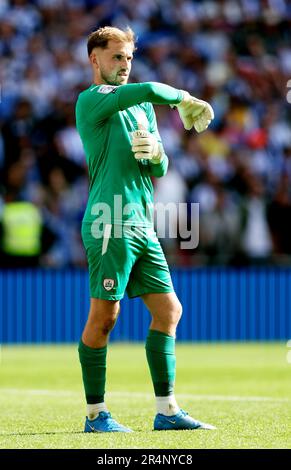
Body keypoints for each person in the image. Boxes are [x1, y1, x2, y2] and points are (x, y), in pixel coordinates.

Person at [75, 26, 215, 433]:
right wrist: (185, 98)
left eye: (129, 58)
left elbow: (160, 168)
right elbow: (151, 88)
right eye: (116, 57)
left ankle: (166, 410)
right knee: (105, 317)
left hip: (141, 221)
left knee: (169, 310)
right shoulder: (91, 101)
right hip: (108, 221)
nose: (123, 65)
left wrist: (156, 153)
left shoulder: (141, 109)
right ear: (95, 60)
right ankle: (96, 414)